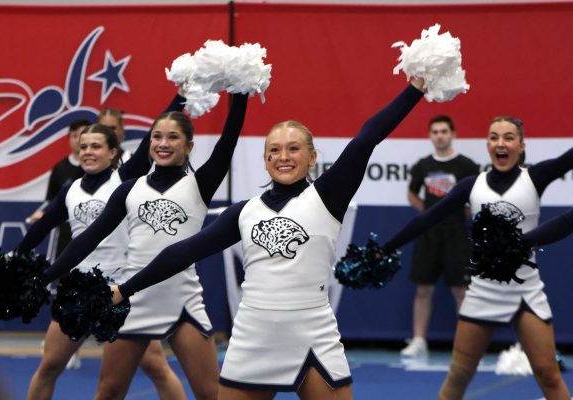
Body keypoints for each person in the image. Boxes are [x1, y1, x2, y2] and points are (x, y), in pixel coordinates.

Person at [79, 79, 429, 400]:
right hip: (253, 338)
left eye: (293, 149)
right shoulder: (244, 212)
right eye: (273, 150)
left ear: (312, 157)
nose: (283, 157)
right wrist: (125, 289)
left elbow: (367, 137)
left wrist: (414, 89)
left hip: (312, 334)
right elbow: (181, 253)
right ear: (264, 160)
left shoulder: (327, 197)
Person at [42, 92, 250, 400]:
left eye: (173, 137)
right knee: (109, 392)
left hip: (183, 300)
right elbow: (88, 238)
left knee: (210, 394)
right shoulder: (129, 189)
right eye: (156, 137)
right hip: (132, 298)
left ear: (189, 145)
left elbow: (227, 142)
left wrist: (241, 93)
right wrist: (45, 276)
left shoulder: (199, 185)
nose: (163, 143)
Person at [381, 116, 573, 399]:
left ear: (521, 145)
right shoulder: (471, 185)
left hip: (525, 291)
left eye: (508, 137)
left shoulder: (534, 177)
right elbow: (427, 219)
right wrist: (384, 248)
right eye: (494, 137)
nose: (501, 143)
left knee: (547, 374)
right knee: (458, 375)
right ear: (487, 145)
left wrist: (522, 241)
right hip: (483, 291)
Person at [17, 93, 188, 400]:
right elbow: (42, 226)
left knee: (155, 367)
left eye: (96, 146)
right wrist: (14, 257)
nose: (88, 152)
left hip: (119, 289)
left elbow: (152, 133)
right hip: (78, 289)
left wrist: (180, 98)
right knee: (49, 366)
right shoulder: (70, 189)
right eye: (83, 146)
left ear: (113, 153)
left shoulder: (123, 180)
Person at [401, 115, 479, 357]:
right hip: (429, 235)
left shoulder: (467, 165)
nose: (440, 135)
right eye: (435, 132)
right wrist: (429, 214)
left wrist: (461, 214)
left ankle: (466, 344)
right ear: (430, 136)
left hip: (457, 234)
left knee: (462, 290)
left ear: (453, 134)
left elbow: (476, 197)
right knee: (423, 289)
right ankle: (419, 340)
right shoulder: (423, 165)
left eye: (444, 131)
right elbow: (412, 193)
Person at [26, 119, 89, 256]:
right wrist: (44, 213)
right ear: (69, 138)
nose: (79, 140)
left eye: (83, 136)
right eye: (75, 135)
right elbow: (52, 201)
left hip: (92, 232)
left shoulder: (99, 170)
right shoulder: (59, 169)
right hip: (66, 233)